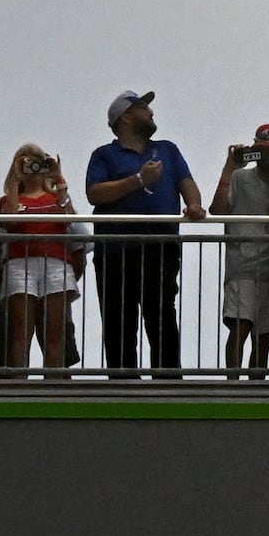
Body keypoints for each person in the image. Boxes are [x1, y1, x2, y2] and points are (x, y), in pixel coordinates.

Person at [82, 91, 200, 381]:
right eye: (143, 107)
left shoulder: (168, 149)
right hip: (115, 246)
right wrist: (138, 181)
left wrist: (194, 205)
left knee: (161, 312)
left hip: (160, 243)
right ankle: (123, 386)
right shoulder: (104, 155)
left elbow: (187, 183)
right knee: (118, 318)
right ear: (125, 116)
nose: (151, 112)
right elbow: (94, 193)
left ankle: (169, 383)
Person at [0, 144, 84, 373]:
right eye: (26, 162)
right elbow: (9, 221)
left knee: (54, 332)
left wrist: (58, 178)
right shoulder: (8, 200)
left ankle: (52, 392)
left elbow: (69, 218)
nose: (33, 168)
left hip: (56, 263)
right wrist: (16, 180)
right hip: (19, 264)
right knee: (20, 333)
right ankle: (19, 390)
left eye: (37, 162)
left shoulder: (57, 197)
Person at [213, 124, 269, 377]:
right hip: (242, 266)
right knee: (240, 328)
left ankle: (258, 388)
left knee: (264, 337)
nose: (265, 155)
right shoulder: (239, 177)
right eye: (260, 149)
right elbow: (218, 210)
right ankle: (233, 385)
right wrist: (229, 167)